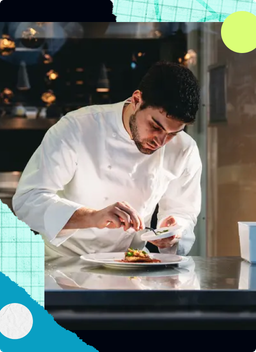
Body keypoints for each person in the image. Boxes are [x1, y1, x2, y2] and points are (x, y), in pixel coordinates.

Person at [12, 61, 202, 258]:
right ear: (137, 100)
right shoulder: (77, 127)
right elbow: (28, 200)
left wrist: (173, 232)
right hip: (63, 263)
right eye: (155, 126)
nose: (161, 141)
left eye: (173, 133)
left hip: (130, 263)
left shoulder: (184, 149)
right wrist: (92, 217)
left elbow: (183, 212)